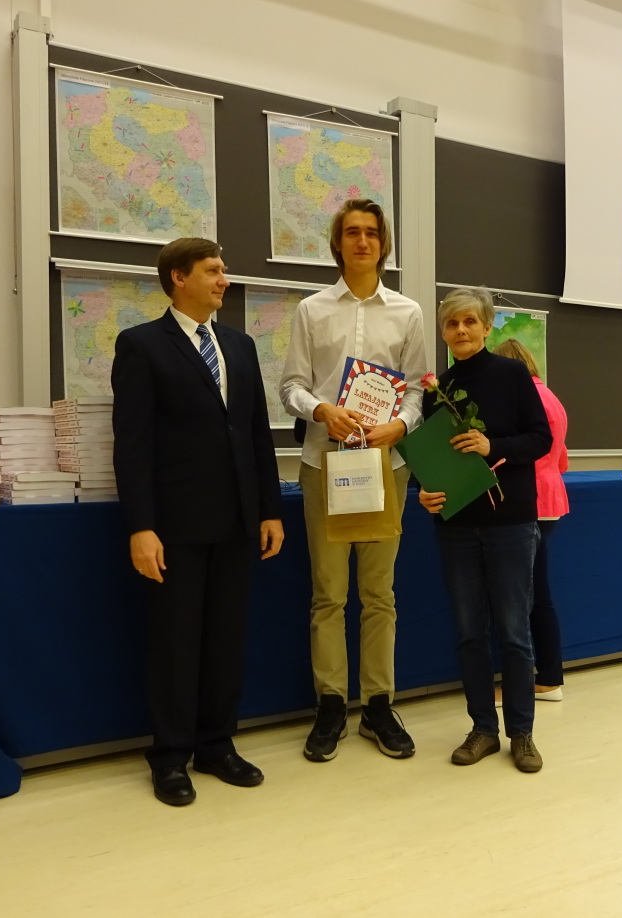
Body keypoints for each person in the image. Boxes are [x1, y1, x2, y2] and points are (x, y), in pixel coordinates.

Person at [112, 237, 284, 807]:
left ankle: (216, 745)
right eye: (213, 270)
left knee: (226, 641)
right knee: (176, 643)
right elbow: (132, 445)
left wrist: (269, 509)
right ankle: (170, 757)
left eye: (223, 269)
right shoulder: (141, 346)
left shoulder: (240, 345)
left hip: (237, 522)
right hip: (175, 527)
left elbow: (256, 434)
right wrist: (141, 526)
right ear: (178, 278)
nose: (224, 280)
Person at [279, 198, 427, 762]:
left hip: (386, 468)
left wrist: (401, 425)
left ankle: (379, 705)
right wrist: (320, 410)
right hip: (326, 465)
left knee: (379, 594)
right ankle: (331, 704)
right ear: (337, 243)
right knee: (328, 594)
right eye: (351, 232)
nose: (362, 241)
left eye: (371, 233)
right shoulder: (311, 310)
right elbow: (291, 385)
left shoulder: (408, 312)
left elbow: (417, 391)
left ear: (382, 244)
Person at [416, 288, 552, 773]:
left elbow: (541, 438)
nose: (461, 331)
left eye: (470, 321)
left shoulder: (512, 375)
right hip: (456, 525)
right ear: (443, 332)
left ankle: (522, 733)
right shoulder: (436, 388)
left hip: (510, 523)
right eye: (452, 324)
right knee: (470, 633)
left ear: (487, 327)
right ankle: (482, 729)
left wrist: (493, 445)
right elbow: (430, 456)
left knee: (514, 633)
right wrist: (423, 491)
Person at [493, 338, 570, 703]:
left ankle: (530, 681)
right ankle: (548, 675)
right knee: (537, 593)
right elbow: (562, 460)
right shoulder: (551, 397)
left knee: (522, 598)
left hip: (528, 502)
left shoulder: (523, 401)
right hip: (550, 500)